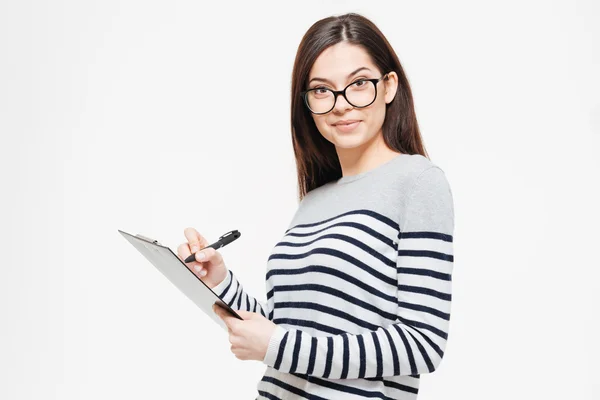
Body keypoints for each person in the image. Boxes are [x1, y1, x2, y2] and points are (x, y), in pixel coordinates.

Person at [177, 12, 455, 400]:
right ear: (306, 102)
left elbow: (422, 344)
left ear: (389, 86)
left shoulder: (418, 182)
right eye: (322, 90)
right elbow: (289, 330)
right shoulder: (314, 200)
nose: (341, 104)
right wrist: (220, 282)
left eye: (359, 84)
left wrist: (278, 345)